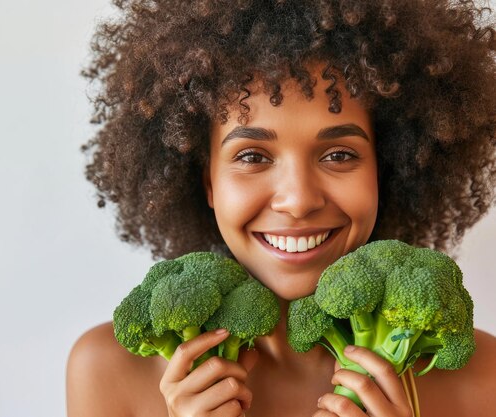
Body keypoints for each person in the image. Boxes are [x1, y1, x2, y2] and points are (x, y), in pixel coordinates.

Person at [67, 0, 496, 415]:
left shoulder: (483, 380)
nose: (298, 201)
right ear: (207, 182)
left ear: (388, 171)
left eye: (339, 155)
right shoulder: (107, 372)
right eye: (252, 156)